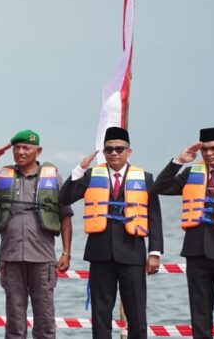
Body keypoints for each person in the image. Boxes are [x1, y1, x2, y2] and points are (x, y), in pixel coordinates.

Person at [60, 126, 163, 339]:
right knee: (101, 314)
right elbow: (65, 198)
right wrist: (79, 169)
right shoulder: (91, 175)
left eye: (119, 149)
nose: (114, 153)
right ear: (104, 151)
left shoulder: (145, 178)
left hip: (132, 253)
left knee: (137, 314)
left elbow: (154, 217)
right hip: (100, 253)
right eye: (109, 149)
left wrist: (154, 252)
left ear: (129, 151)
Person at [0, 129, 73, 339]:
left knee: (45, 321)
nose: (20, 152)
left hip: (43, 259)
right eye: (17, 148)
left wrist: (66, 253)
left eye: (26, 148)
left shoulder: (53, 178)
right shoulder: (4, 176)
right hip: (11, 258)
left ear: (38, 151)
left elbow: (65, 216)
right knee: (15, 322)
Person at [154, 127, 214, 339]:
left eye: (213, 148)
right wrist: (179, 161)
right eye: (204, 149)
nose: (209, 153)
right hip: (196, 253)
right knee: (199, 314)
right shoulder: (190, 174)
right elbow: (159, 188)